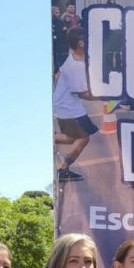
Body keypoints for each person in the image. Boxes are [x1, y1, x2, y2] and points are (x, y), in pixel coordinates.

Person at [53, 27, 96, 182]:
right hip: (68, 108)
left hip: (67, 105)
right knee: (84, 138)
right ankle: (63, 169)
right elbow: (83, 93)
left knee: (71, 138)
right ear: (81, 43)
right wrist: (106, 98)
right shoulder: (75, 66)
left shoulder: (79, 59)